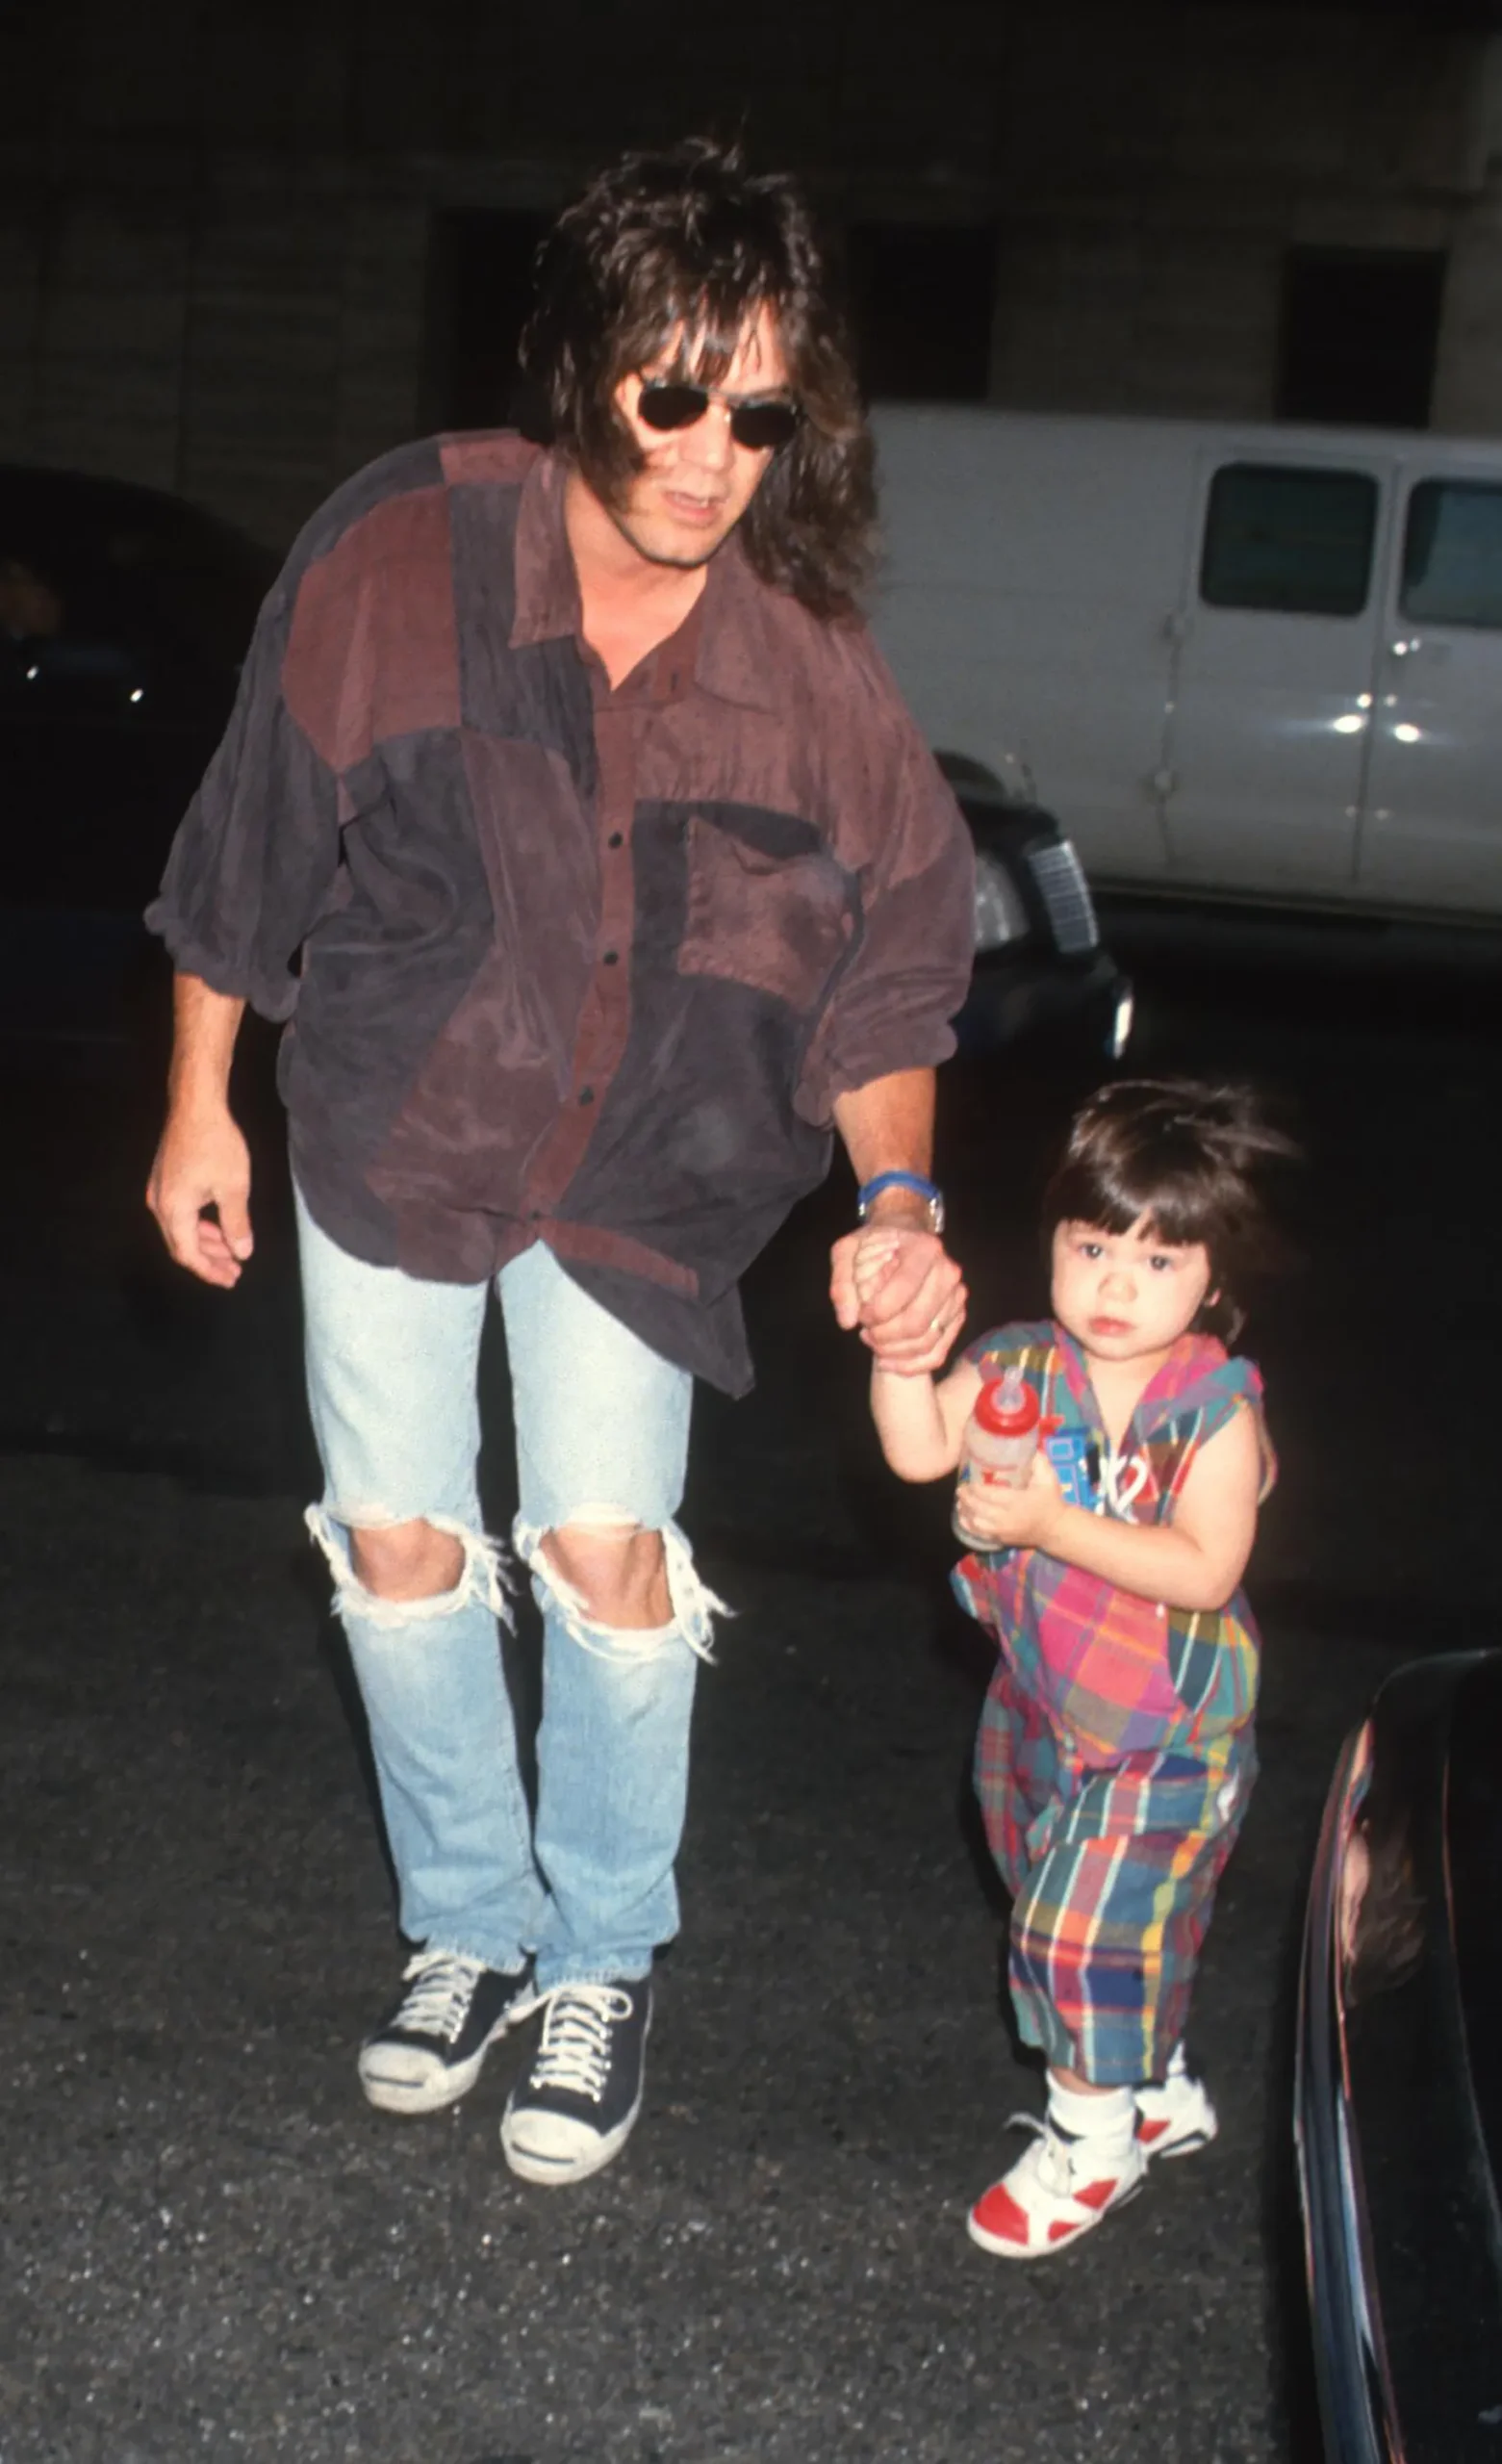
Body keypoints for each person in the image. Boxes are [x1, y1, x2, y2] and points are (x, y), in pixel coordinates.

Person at [143, 138, 975, 2188]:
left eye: (760, 410)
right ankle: (465, 1923)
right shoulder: (397, 552)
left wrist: (899, 1206)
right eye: (671, 393)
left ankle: (598, 1955)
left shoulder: (809, 666)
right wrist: (194, 1105)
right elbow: (251, 841)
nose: (711, 454)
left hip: (646, 1176)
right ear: (584, 362)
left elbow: (895, 967)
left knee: (608, 1558)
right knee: (401, 1541)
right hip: (400, 1122)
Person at [862, 1079, 1292, 2257]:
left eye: (1158, 1261)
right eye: (1092, 1245)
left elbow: (1204, 1569)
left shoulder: (1210, 1409)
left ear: (1214, 1280)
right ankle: (1149, 2083)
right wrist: (901, 1349)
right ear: (1050, 1238)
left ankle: (1093, 2141)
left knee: (1071, 1933)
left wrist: (1050, 1525)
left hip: (1168, 1731)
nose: (1113, 1284)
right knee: (1073, 1899)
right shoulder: (1018, 1365)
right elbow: (917, 1450)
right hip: (1044, 1709)